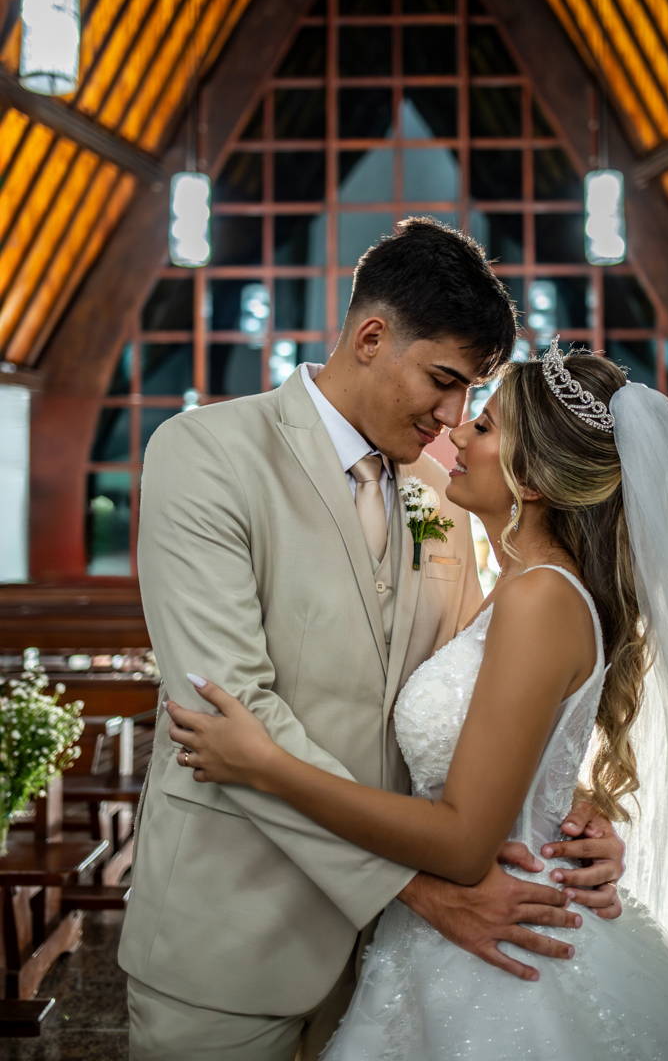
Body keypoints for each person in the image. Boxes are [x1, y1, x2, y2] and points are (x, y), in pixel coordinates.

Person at [167, 340, 668, 1061]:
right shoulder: (518, 584)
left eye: (487, 423)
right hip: (419, 927)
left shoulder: (538, 598)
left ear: (532, 477)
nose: (458, 429)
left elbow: (466, 844)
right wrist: (570, 802)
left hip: (497, 937)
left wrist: (266, 764)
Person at [120, 220, 624, 1061]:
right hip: (231, 939)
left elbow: (477, 690)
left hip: (389, 962)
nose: (454, 418)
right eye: (444, 381)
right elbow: (226, 715)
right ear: (371, 338)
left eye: (472, 396)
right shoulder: (206, 453)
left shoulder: (442, 490)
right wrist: (418, 888)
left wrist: (567, 812)